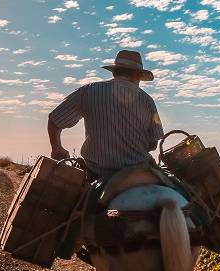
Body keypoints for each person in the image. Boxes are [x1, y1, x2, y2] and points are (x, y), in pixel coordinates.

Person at [47, 49, 164, 179]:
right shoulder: (148, 100)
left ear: (114, 71)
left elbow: (54, 119)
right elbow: (153, 144)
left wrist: (57, 148)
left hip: (97, 171)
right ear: (138, 75)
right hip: (139, 171)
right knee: (177, 185)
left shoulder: (88, 91)